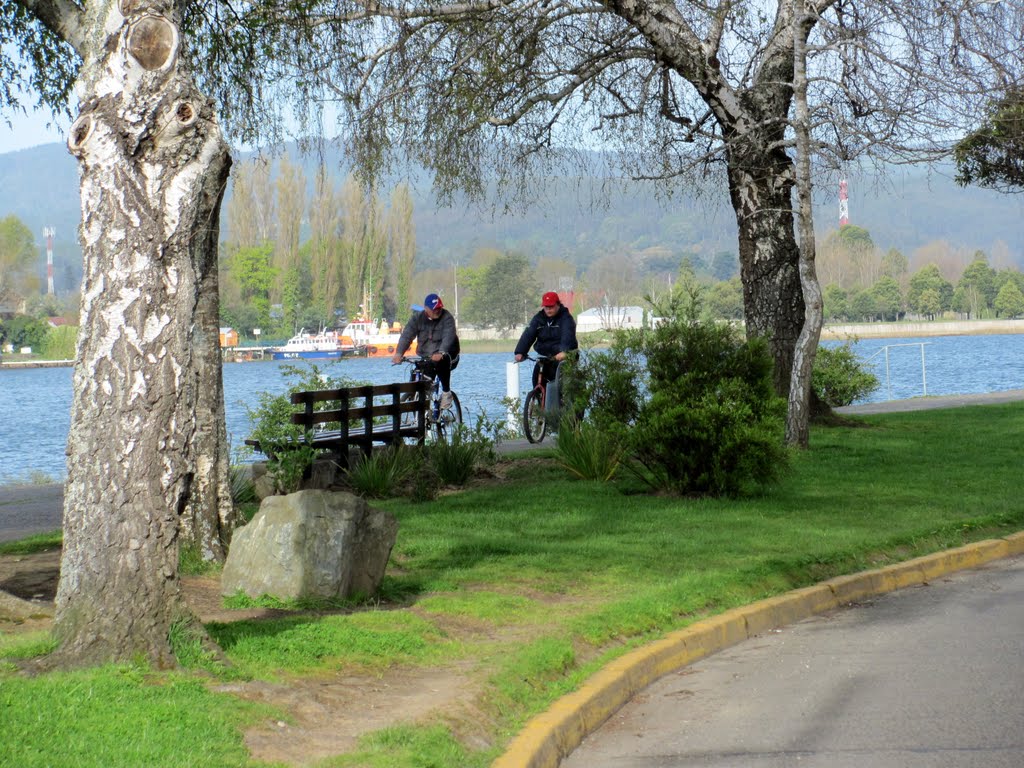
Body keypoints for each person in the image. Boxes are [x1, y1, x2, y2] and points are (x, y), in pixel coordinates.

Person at [392, 293, 461, 408]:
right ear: (426, 309)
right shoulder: (417, 319)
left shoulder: (447, 318)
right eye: (435, 309)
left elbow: (449, 336)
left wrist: (442, 352)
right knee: (421, 373)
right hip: (427, 356)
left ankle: (446, 393)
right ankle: (422, 407)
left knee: (441, 363)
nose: (438, 310)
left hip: (449, 354)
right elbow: (407, 335)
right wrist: (399, 353)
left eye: (439, 308)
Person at [514, 290, 579, 391]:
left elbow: (568, 335)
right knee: (537, 382)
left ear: (558, 304)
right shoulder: (538, 318)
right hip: (545, 358)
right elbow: (528, 334)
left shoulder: (566, 318)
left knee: (560, 386)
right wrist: (520, 352)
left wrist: (564, 351)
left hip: (562, 357)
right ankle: (538, 402)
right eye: (546, 307)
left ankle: (561, 404)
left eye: (551, 307)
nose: (548, 310)